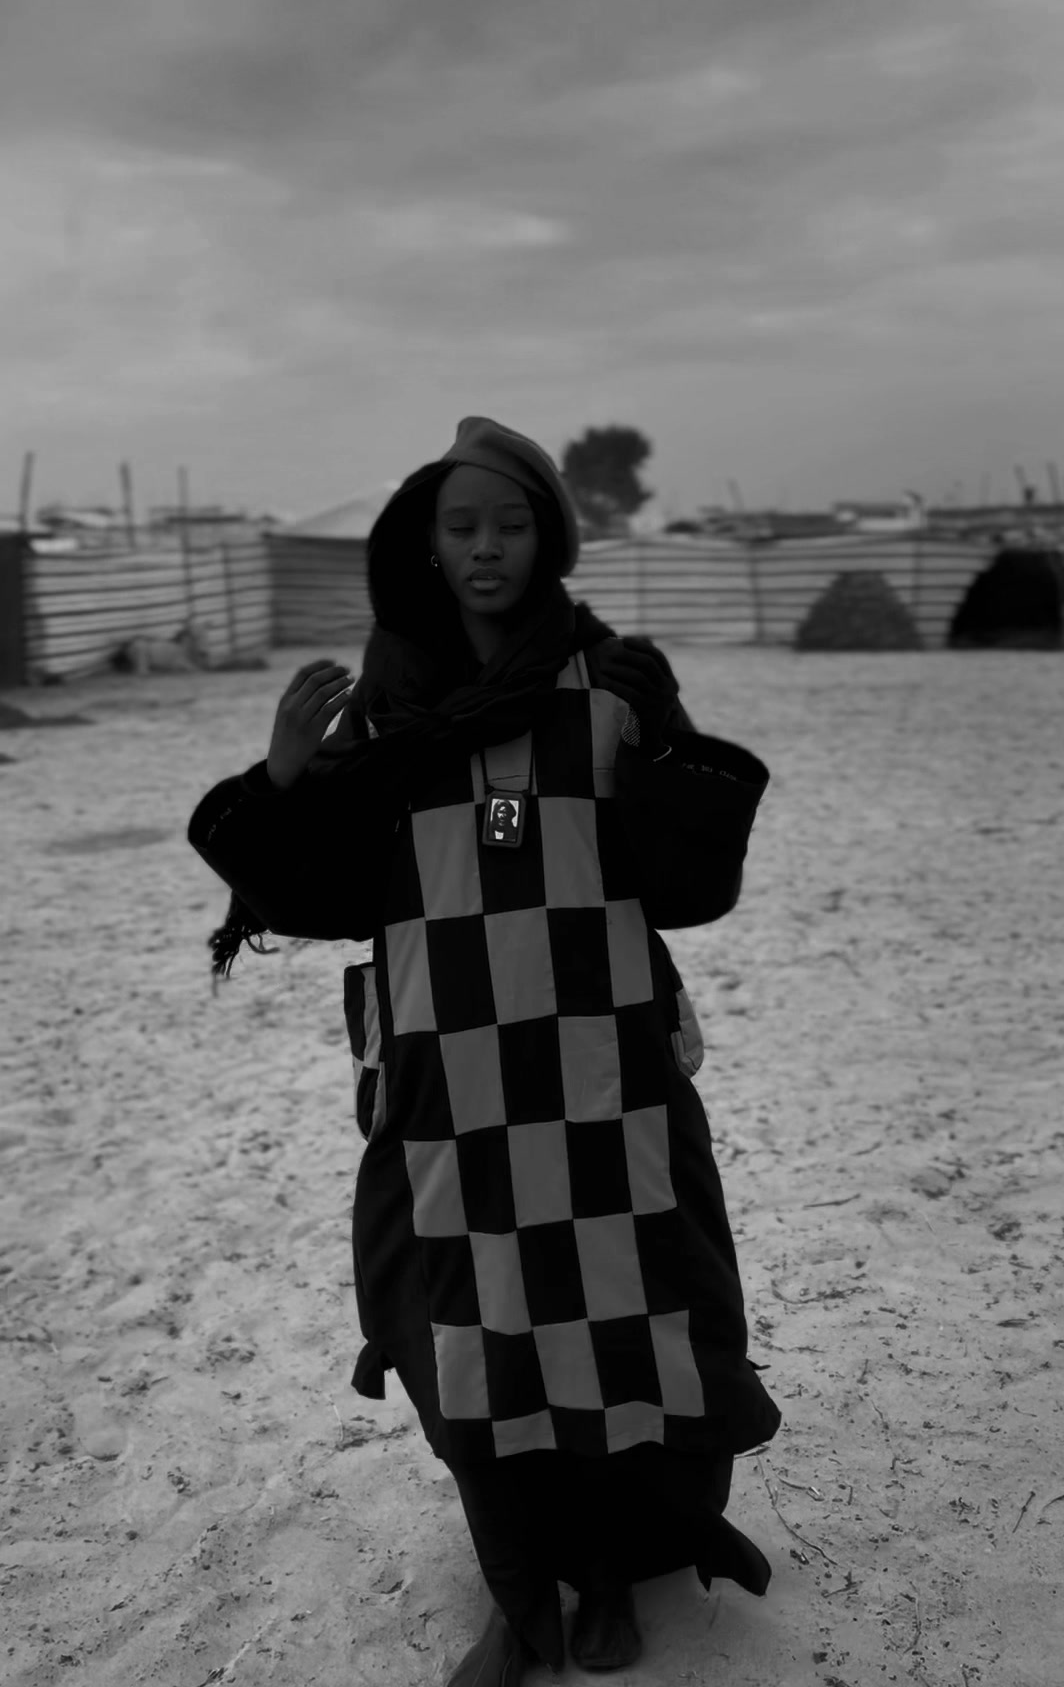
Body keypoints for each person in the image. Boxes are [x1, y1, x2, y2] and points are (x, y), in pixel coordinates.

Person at [189, 418, 781, 1683]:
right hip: (446, 1080)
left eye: (511, 524)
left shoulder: (610, 680)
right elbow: (326, 891)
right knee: (472, 1334)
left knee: (622, 1316)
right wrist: (284, 782)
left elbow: (686, 886)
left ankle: (612, 1570)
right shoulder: (386, 707)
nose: (486, 548)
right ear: (426, 545)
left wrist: (662, 751)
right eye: (462, 528)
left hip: (602, 1072)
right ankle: (521, 1597)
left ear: (549, 538)